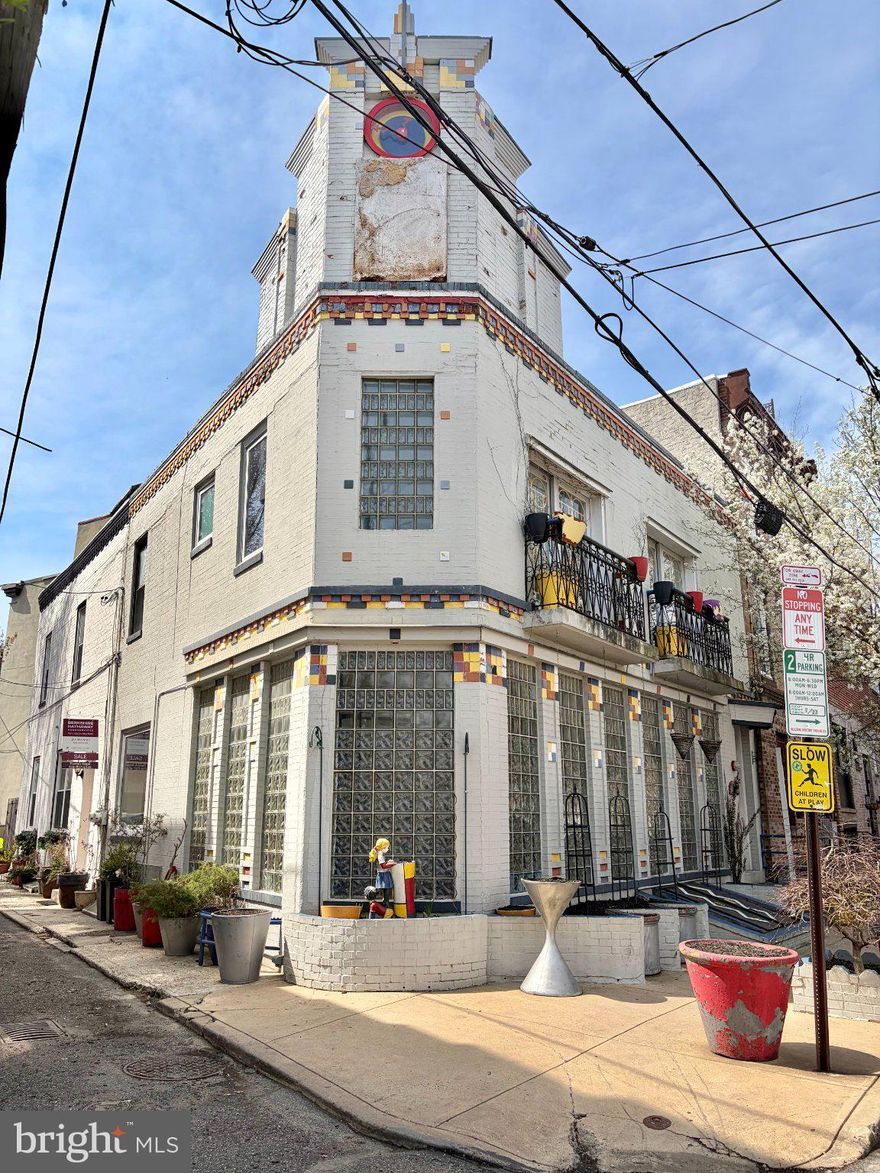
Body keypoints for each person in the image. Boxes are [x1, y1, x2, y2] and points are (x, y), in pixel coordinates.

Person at [369, 837, 395, 909]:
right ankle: (385, 903)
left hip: (382, 874)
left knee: (384, 890)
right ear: (382, 847)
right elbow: (383, 866)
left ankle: (385, 903)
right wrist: (392, 864)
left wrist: (388, 863)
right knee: (385, 890)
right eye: (387, 847)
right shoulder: (380, 856)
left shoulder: (379, 854)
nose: (388, 849)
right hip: (383, 875)